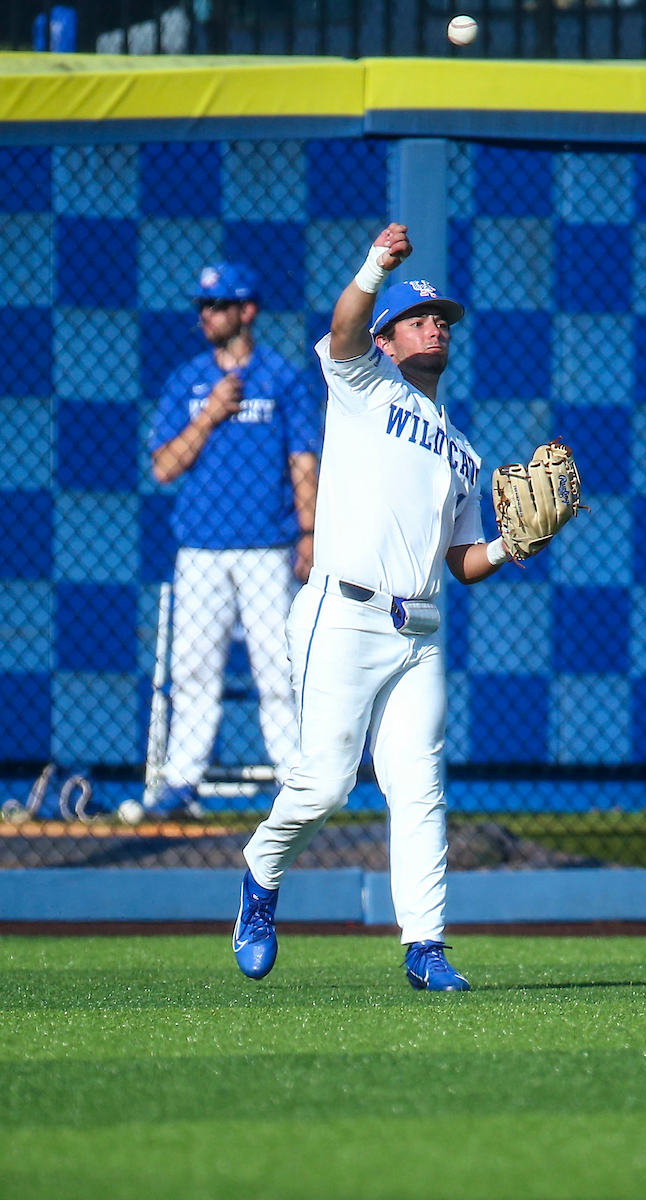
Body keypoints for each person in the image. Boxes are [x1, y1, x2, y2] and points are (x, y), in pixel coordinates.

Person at [232, 225, 514, 991]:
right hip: (344, 614)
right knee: (324, 785)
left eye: (443, 321)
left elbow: (463, 565)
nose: (435, 327)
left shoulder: (464, 451)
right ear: (388, 343)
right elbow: (345, 326)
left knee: (420, 788)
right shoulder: (364, 386)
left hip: (418, 631)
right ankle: (261, 875)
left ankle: (426, 947)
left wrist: (515, 547)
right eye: (420, 320)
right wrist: (374, 266)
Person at [146, 261, 319, 818]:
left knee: (279, 667)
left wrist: (310, 531)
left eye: (217, 306)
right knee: (192, 668)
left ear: (247, 311)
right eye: (201, 306)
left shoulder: (281, 377)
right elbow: (164, 468)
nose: (206, 315)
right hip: (199, 547)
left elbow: (303, 459)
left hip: (268, 546)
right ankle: (179, 784)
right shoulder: (188, 381)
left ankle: (295, 783)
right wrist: (210, 415)